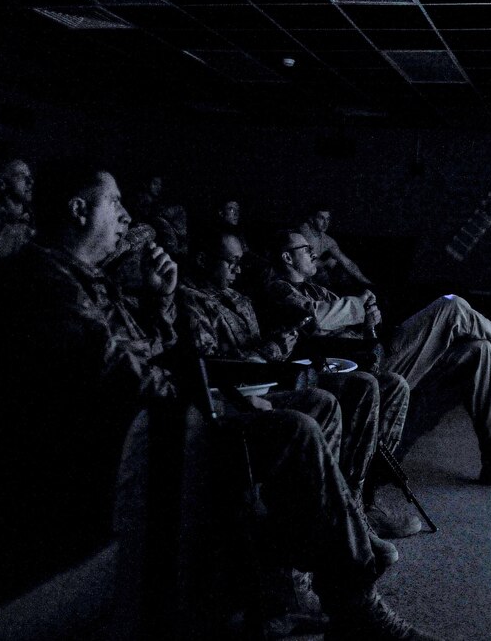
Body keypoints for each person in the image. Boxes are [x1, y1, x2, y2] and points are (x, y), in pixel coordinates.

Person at [0, 165, 434, 638]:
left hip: (151, 425)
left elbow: (147, 353)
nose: (125, 215)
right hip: (120, 450)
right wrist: (225, 406)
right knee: (294, 430)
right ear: (79, 210)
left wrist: (161, 303)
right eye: (114, 203)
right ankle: (355, 604)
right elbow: (127, 378)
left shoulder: (87, 278)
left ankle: (301, 570)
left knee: (319, 405)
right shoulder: (48, 281)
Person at [264, 230, 491, 493]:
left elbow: (351, 325)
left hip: (374, 352)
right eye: (306, 249)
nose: (314, 254)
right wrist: (358, 304)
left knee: (479, 350)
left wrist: (369, 318)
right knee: (452, 306)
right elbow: (313, 318)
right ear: (287, 258)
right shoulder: (277, 289)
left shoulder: (317, 289)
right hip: (363, 372)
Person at [179, 228, 420, 538]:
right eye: (231, 263)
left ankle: (355, 502)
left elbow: (265, 345)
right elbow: (215, 367)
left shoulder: (239, 296)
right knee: (330, 398)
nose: (238, 271)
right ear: (202, 260)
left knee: (371, 385)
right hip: (242, 392)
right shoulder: (193, 301)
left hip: (278, 372)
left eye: (240, 263)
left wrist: (280, 342)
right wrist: (272, 349)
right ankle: (336, 521)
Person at [297, 205, 372, 291]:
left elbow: (348, 263)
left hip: (310, 276)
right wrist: (325, 263)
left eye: (328, 219)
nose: (325, 223)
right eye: (321, 218)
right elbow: (301, 262)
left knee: (343, 274)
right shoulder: (303, 230)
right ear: (311, 219)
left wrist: (366, 282)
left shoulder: (328, 240)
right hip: (297, 277)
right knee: (323, 273)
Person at [0, 157, 36, 262]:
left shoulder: (34, 227)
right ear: (1, 184)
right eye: (22, 176)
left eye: (30, 177)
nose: (30, 182)